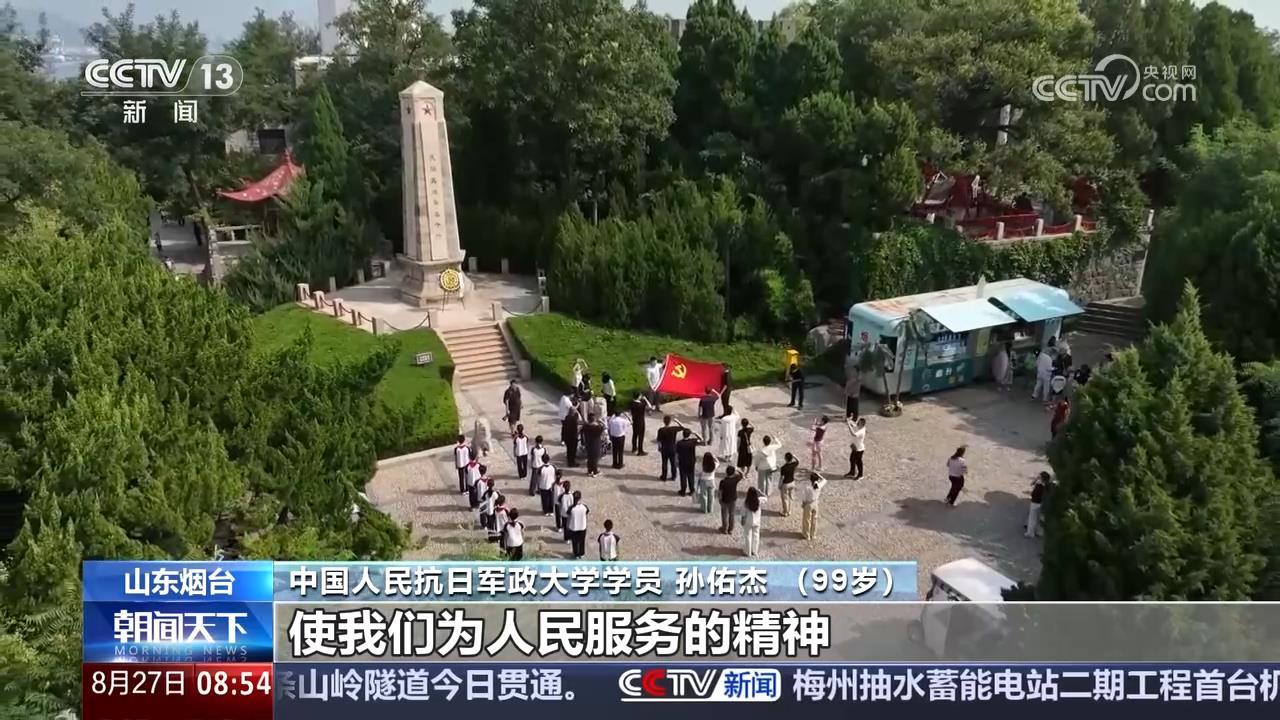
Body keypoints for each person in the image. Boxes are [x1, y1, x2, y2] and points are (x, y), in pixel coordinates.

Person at [797, 472, 828, 541]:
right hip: (815, 503)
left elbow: (804, 497)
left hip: (809, 504)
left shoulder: (807, 487)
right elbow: (825, 480)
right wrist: (819, 475)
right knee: (814, 520)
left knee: (807, 520)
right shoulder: (819, 485)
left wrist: (803, 504)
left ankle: (806, 535)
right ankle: (813, 535)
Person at [717, 467, 743, 534]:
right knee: (732, 514)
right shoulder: (735, 479)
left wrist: (720, 499)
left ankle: (724, 529)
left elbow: (720, 492)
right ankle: (730, 529)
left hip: (724, 500)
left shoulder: (723, 482)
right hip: (733, 499)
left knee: (724, 515)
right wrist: (737, 470)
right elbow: (741, 475)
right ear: (733, 473)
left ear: (726, 472)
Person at [676, 428, 701, 497]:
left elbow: (677, 453)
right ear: (689, 435)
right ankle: (692, 490)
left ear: (683, 434)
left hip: (682, 461)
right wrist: (695, 433)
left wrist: (677, 461)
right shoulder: (692, 441)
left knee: (683, 476)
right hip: (691, 461)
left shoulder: (679, 443)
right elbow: (701, 439)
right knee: (691, 476)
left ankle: (683, 491)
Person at [567, 491, 590, 559]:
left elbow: (568, 515)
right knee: (582, 541)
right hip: (582, 526)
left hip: (574, 527)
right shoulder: (584, 507)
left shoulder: (571, 508)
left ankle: (576, 554)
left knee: (575, 542)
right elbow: (587, 512)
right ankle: (581, 553)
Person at [1026, 472, 1049, 538]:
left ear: (1042, 478)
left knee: (1032, 518)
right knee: (1037, 518)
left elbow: (1034, 493)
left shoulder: (1040, 485)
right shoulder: (1046, 485)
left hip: (1035, 502)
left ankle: (1030, 533)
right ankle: (1038, 532)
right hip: (1040, 503)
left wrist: (1031, 493)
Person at [741, 487, 763, 557]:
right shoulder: (759, 500)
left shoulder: (746, 503)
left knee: (748, 536)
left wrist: (742, 521)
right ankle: (755, 551)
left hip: (748, 521)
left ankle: (748, 552)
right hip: (757, 521)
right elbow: (766, 498)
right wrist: (760, 492)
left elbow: (743, 514)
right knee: (756, 536)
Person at [656, 416, 680, 481]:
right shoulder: (674, 429)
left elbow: (659, 440)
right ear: (670, 422)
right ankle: (674, 476)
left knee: (664, 463)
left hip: (664, 448)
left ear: (664, 421)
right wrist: (677, 421)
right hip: (672, 448)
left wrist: (659, 447)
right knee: (673, 463)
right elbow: (683, 427)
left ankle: (664, 476)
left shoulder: (661, 430)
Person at [778, 452, 800, 517]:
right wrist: (794, 456)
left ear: (785, 458)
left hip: (785, 484)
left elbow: (782, 478)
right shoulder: (793, 464)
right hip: (792, 482)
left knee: (785, 499)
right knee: (790, 497)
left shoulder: (783, 467)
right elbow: (798, 461)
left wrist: (779, 485)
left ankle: (785, 512)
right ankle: (789, 511)